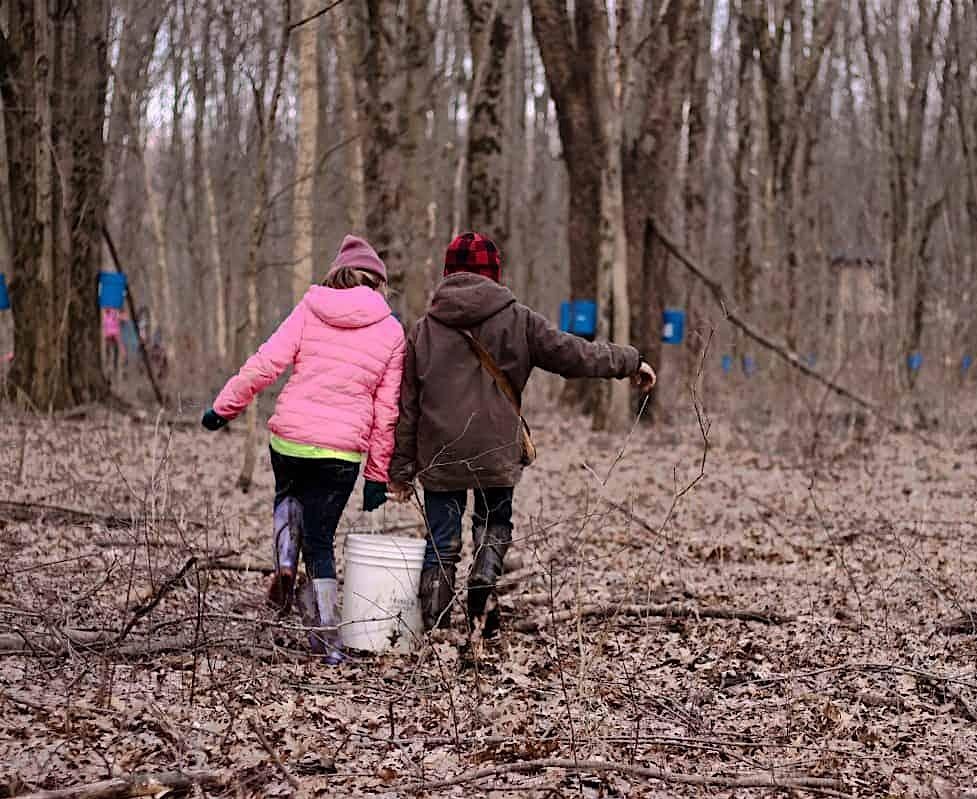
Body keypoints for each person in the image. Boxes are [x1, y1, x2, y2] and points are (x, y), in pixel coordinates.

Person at [387, 232, 656, 638]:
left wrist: (402, 468)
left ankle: (434, 632)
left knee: (441, 541)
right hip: (496, 446)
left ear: (447, 273)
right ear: (494, 272)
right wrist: (630, 360)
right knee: (494, 524)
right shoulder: (517, 318)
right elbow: (575, 355)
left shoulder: (424, 330)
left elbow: (407, 406)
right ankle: (484, 581)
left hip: (439, 451)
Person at [201, 235, 406, 665]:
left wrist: (225, 407)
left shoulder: (311, 308)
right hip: (342, 452)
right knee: (322, 540)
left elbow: (266, 363)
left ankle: (285, 560)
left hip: (291, 438)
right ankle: (327, 644)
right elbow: (387, 411)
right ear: (379, 284)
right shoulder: (391, 330)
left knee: (287, 498)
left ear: (337, 273)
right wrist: (376, 475)